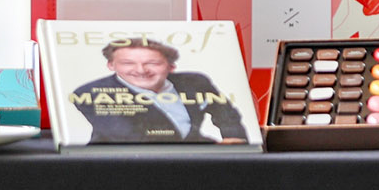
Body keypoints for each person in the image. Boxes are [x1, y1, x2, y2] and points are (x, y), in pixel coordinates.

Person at [70, 38, 249, 143]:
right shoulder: (91, 92)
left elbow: (228, 116)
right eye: (128, 63)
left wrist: (235, 144)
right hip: (120, 167)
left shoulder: (195, 81)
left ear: (171, 66)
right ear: (111, 65)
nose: (140, 70)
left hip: (194, 162)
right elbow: (128, 136)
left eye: (152, 63)